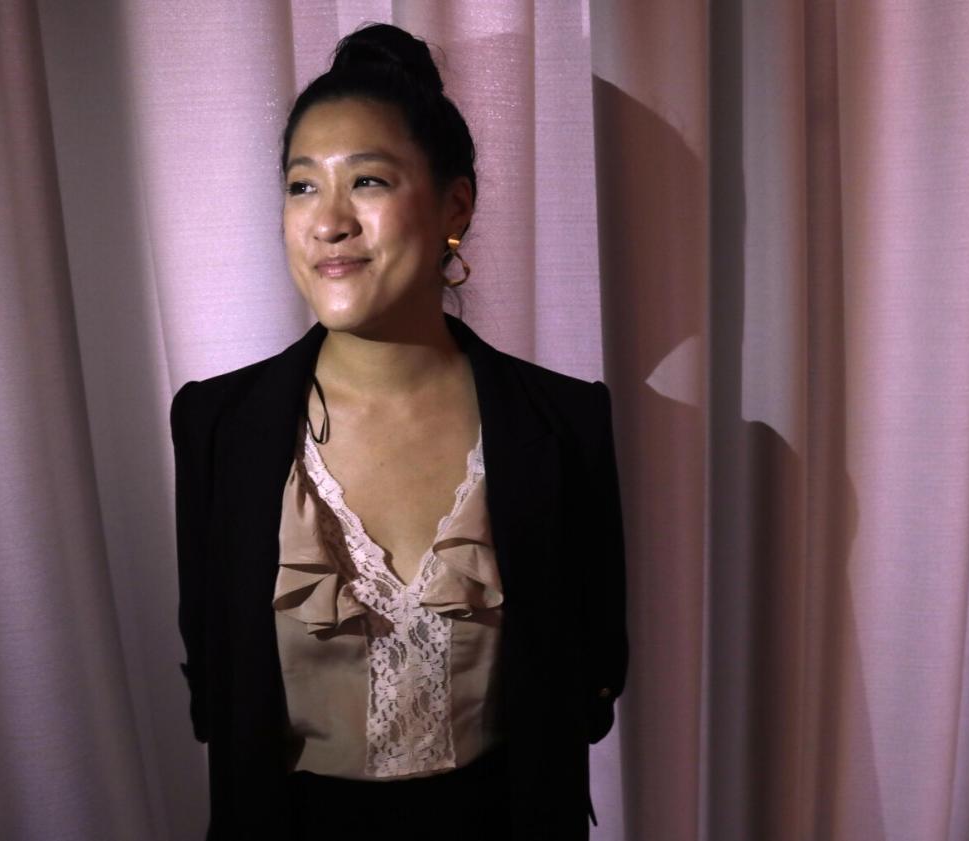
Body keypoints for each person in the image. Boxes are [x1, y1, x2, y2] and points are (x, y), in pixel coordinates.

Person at [169, 22, 628, 841]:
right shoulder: (216, 426)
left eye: (369, 181)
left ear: (455, 205)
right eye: (302, 186)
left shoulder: (562, 423)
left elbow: (590, 681)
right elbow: (218, 693)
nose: (330, 222)